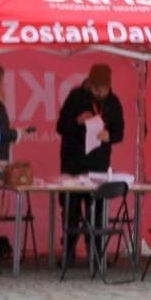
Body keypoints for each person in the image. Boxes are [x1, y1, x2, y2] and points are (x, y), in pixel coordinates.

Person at [57, 63, 126, 267]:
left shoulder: (113, 102)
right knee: (71, 210)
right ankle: (68, 253)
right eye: (97, 89)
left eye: (104, 89)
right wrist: (77, 121)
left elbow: (120, 133)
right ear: (90, 84)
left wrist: (109, 136)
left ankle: (96, 254)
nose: (101, 93)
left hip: (99, 165)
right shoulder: (76, 97)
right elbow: (60, 126)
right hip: (73, 163)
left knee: (97, 211)